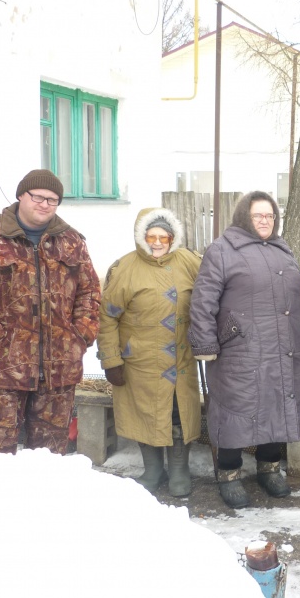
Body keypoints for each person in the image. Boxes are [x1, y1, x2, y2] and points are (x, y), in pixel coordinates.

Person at [0, 169, 101, 455]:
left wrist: (79, 336)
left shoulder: (70, 240)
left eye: (53, 200)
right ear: (21, 195)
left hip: (59, 367)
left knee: (49, 453)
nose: (44, 204)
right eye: (38, 197)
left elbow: (90, 292)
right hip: (2, 366)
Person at [189, 191, 300, 509]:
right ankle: (228, 474)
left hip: (282, 346)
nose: (265, 221)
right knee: (235, 409)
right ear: (244, 217)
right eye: (258, 215)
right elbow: (203, 299)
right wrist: (204, 342)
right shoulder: (222, 249)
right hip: (240, 348)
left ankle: (269, 469)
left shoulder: (284, 251)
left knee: (276, 402)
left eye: (270, 215)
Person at [97, 209, 202, 497]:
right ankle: (154, 469)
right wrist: (111, 359)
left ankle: (180, 469)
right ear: (142, 238)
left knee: (179, 413)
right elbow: (107, 317)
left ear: (173, 237)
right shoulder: (124, 269)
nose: (157, 243)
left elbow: (212, 294)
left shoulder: (190, 262)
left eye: (163, 236)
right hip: (141, 360)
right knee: (146, 413)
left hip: (181, 358)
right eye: (151, 236)